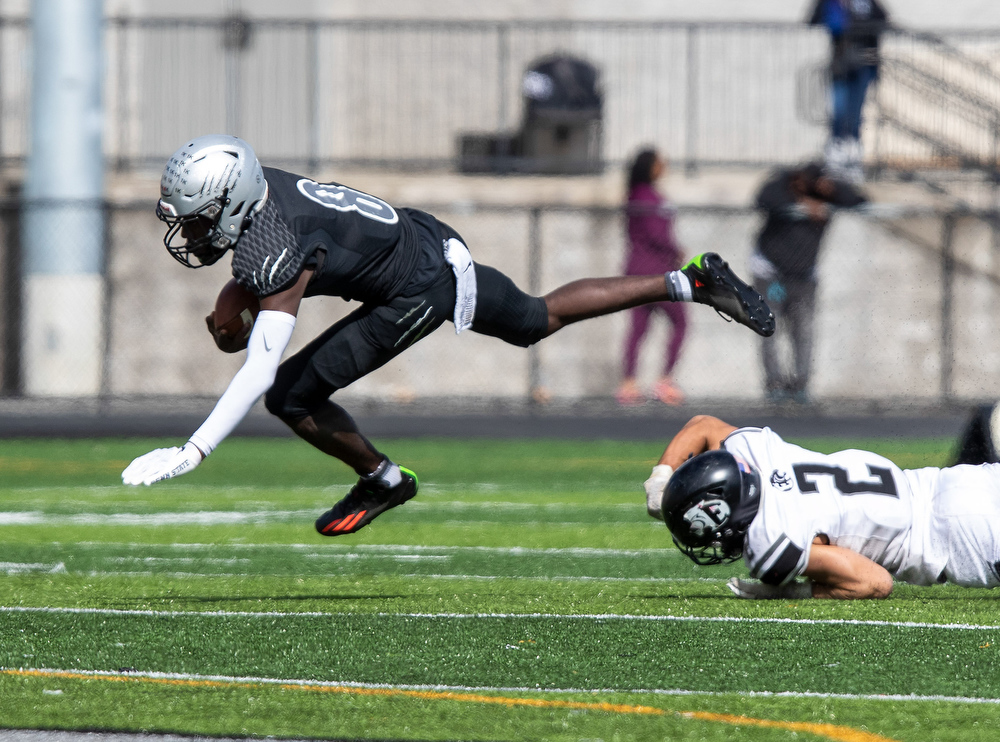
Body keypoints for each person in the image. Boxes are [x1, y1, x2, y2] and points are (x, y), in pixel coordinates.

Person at [121, 135, 775, 537]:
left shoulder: (274, 246)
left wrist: (195, 449)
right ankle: (689, 281)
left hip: (417, 284)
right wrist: (232, 315)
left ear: (232, 204)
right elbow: (256, 300)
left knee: (288, 394)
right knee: (535, 319)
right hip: (420, 239)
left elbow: (260, 363)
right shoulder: (267, 202)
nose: (194, 233)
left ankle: (381, 478)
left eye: (201, 220)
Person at [645, 414, 1000, 600]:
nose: (715, 543)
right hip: (954, 481)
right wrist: (661, 477)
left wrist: (791, 591)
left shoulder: (770, 537)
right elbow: (702, 426)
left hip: (954, 536)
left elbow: (875, 583)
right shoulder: (758, 454)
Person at [750, 162, 866, 404]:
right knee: (768, 329)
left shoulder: (827, 195)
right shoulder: (782, 188)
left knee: (803, 331)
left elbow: (859, 200)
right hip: (771, 273)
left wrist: (831, 190)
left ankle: (800, 384)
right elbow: (763, 199)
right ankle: (775, 384)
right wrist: (802, 203)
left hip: (803, 276)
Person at [616, 148, 688, 406]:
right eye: (659, 162)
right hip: (655, 273)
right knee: (680, 322)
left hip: (637, 271)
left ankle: (629, 382)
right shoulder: (644, 196)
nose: (664, 165)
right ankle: (663, 380)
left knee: (638, 329)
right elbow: (656, 234)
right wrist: (676, 250)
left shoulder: (639, 194)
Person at [808, 0, 890, 182]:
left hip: (864, 66)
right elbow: (817, 21)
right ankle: (835, 159)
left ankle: (853, 160)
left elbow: (883, 21)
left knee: (855, 113)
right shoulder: (832, 3)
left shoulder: (867, 4)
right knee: (839, 112)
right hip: (841, 66)